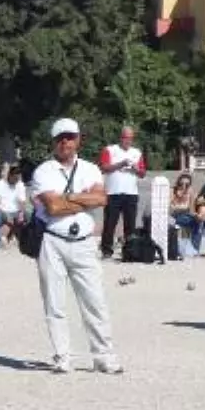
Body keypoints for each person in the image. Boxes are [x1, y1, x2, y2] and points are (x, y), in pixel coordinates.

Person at [31, 118, 122, 375]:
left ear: (78, 139)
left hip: (83, 242)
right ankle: (62, 356)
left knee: (95, 301)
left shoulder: (91, 169)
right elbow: (53, 207)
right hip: (52, 240)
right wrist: (84, 199)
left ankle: (103, 355)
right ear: (53, 142)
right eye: (60, 138)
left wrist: (68, 197)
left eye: (70, 137)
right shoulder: (43, 171)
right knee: (54, 302)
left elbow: (102, 199)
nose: (65, 142)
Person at [99, 126, 146, 258]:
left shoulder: (137, 152)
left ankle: (129, 250)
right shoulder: (110, 150)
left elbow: (142, 173)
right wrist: (120, 164)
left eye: (130, 138)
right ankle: (106, 250)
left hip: (131, 193)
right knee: (110, 223)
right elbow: (103, 168)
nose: (128, 141)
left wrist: (136, 169)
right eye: (126, 138)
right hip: (113, 193)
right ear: (121, 137)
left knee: (130, 225)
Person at [0, 166, 27, 250]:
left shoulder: (20, 185)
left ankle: (31, 240)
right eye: (15, 178)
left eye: (18, 178)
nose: (16, 181)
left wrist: (21, 212)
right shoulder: (0, 184)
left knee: (30, 215)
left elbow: (22, 202)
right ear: (10, 175)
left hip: (15, 211)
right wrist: (6, 214)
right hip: (2, 211)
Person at [169, 173, 200, 257]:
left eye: (187, 184)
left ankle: (194, 249)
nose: (184, 186)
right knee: (174, 221)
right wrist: (178, 197)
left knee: (197, 221)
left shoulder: (190, 192)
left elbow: (191, 210)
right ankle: (179, 249)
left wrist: (197, 215)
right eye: (181, 184)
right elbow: (171, 209)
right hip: (173, 216)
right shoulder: (172, 191)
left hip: (185, 216)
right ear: (178, 183)